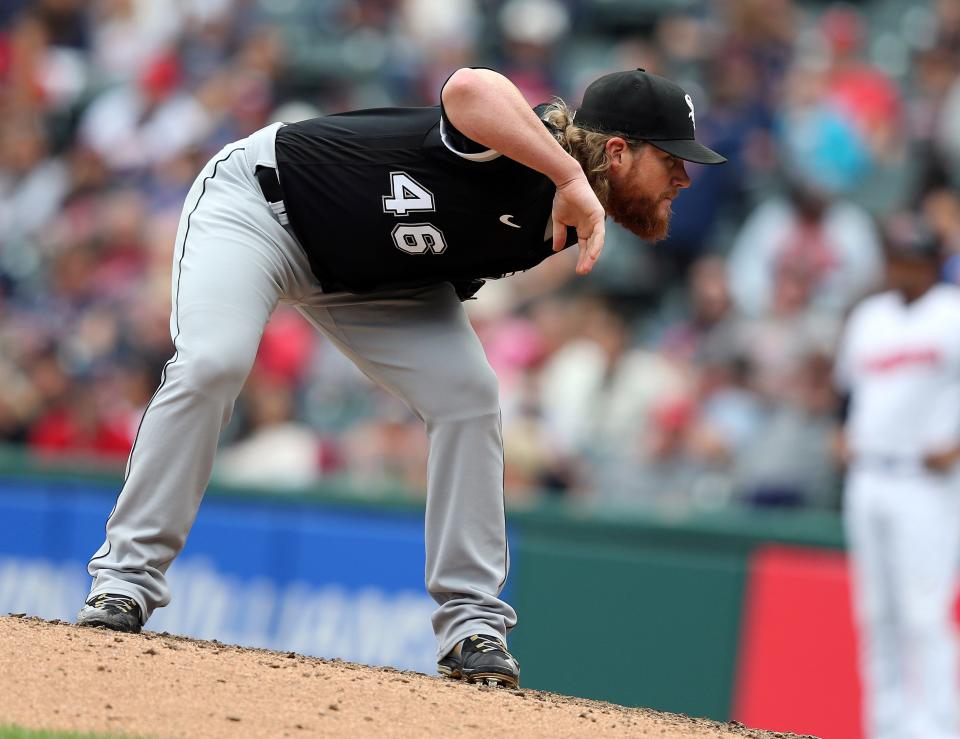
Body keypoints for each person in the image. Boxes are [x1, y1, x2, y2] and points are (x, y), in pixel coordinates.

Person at [75, 67, 725, 688]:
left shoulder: (569, 222)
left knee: (470, 396)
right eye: (672, 160)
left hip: (374, 279)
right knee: (214, 362)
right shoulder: (530, 150)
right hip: (263, 208)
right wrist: (563, 172)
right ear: (616, 151)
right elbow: (468, 87)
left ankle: (472, 626)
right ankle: (125, 581)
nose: (684, 179)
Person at [834, 231, 960, 739]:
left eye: (912, 259)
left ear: (933, 263)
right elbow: (846, 391)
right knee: (876, 616)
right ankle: (885, 728)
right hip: (868, 477)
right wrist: (838, 432)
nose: (902, 268)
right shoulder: (870, 317)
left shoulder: (952, 312)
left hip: (924, 481)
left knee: (925, 614)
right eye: (896, 258)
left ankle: (941, 728)